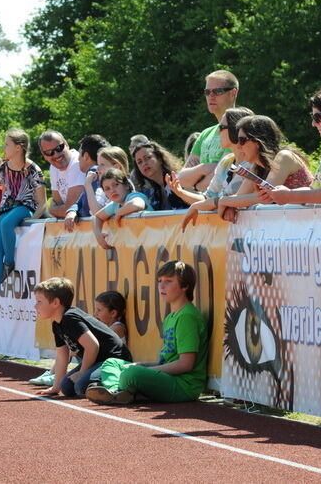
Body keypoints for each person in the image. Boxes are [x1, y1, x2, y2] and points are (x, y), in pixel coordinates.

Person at [85, 260, 209, 404]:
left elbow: (185, 364)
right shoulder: (170, 317)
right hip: (167, 378)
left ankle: (119, 391)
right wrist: (143, 365)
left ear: (185, 286)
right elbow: (167, 360)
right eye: (160, 281)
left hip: (184, 385)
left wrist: (146, 370)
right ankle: (117, 392)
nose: (161, 286)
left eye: (168, 281)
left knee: (131, 373)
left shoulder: (187, 316)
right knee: (112, 363)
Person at [0, 129, 47, 311]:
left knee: (6, 223)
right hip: (8, 207)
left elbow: (42, 202)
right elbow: (7, 192)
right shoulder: (3, 168)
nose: (3, 148)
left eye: (7, 144)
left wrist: (32, 221)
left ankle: (9, 263)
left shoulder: (33, 170)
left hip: (26, 208)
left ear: (18, 147)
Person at [33, 277, 132, 398]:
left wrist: (82, 372)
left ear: (55, 303)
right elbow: (62, 356)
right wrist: (55, 387)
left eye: (39, 302)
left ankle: (119, 386)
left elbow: (92, 345)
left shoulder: (70, 318)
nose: (35, 306)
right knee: (66, 387)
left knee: (80, 386)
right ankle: (96, 382)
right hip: (98, 361)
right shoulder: (56, 324)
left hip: (115, 360)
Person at [217, 115, 312, 222]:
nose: (238, 146)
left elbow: (268, 197)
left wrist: (225, 201)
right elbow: (240, 197)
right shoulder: (257, 167)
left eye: (242, 140)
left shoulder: (285, 157)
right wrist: (231, 205)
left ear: (258, 141)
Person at [178, 107, 255, 230]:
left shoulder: (253, 164)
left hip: (251, 232)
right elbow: (209, 199)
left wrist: (197, 206)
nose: (218, 132)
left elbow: (227, 199)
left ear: (235, 130)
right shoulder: (226, 161)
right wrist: (180, 192)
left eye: (221, 127)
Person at [178, 70, 240, 191]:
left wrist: (195, 184)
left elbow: (225, 176)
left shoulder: (241, 130)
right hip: (204, 205)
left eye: (217, 91)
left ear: (233, 93)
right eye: (207, 92)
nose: (211, 96)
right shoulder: (205, 134)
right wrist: (204, 168)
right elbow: (181, 179)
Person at [93, 168, 152, 250]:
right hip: (141, 246)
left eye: (116, 185)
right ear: (105, 194)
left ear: (127, 185)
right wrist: (98, 235)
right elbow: (97, 217)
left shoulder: (133, 196)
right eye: (107, 188)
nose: (112, 190)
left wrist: (119, 212)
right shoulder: (115, 205)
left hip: (154, 242)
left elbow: (137, 204)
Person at [64, 134, 110, 232]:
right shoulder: (94, 173)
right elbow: (80, 200)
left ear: (86, 156)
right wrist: (72, 211)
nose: (77, 159)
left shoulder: (94, 171)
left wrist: (76, 214)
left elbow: (86, 208)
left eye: (79, 154)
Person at [38, 131, 84, 220]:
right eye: (49, 152)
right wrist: (58, 210)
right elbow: (58, 203)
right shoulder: (53, 167)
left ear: (66, 144)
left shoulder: (77, 164)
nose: (56, 154)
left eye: (59, 148)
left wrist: (52, 209)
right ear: (44, 156)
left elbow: (70, 209)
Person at [131, 141, 189, 211]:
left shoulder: (179, 179)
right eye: (139, 162)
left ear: (160, 158)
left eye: (148, 158)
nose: (144, 164)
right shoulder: (152, 192)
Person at [82, 145, 130, 215]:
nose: (98, 169)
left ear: (116, 167)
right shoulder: (102, 190)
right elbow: (96, 212)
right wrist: (88, 185)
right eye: (98, 164)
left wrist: (88, 185)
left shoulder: (127, 185)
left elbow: (97, 212)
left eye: (102, 164)